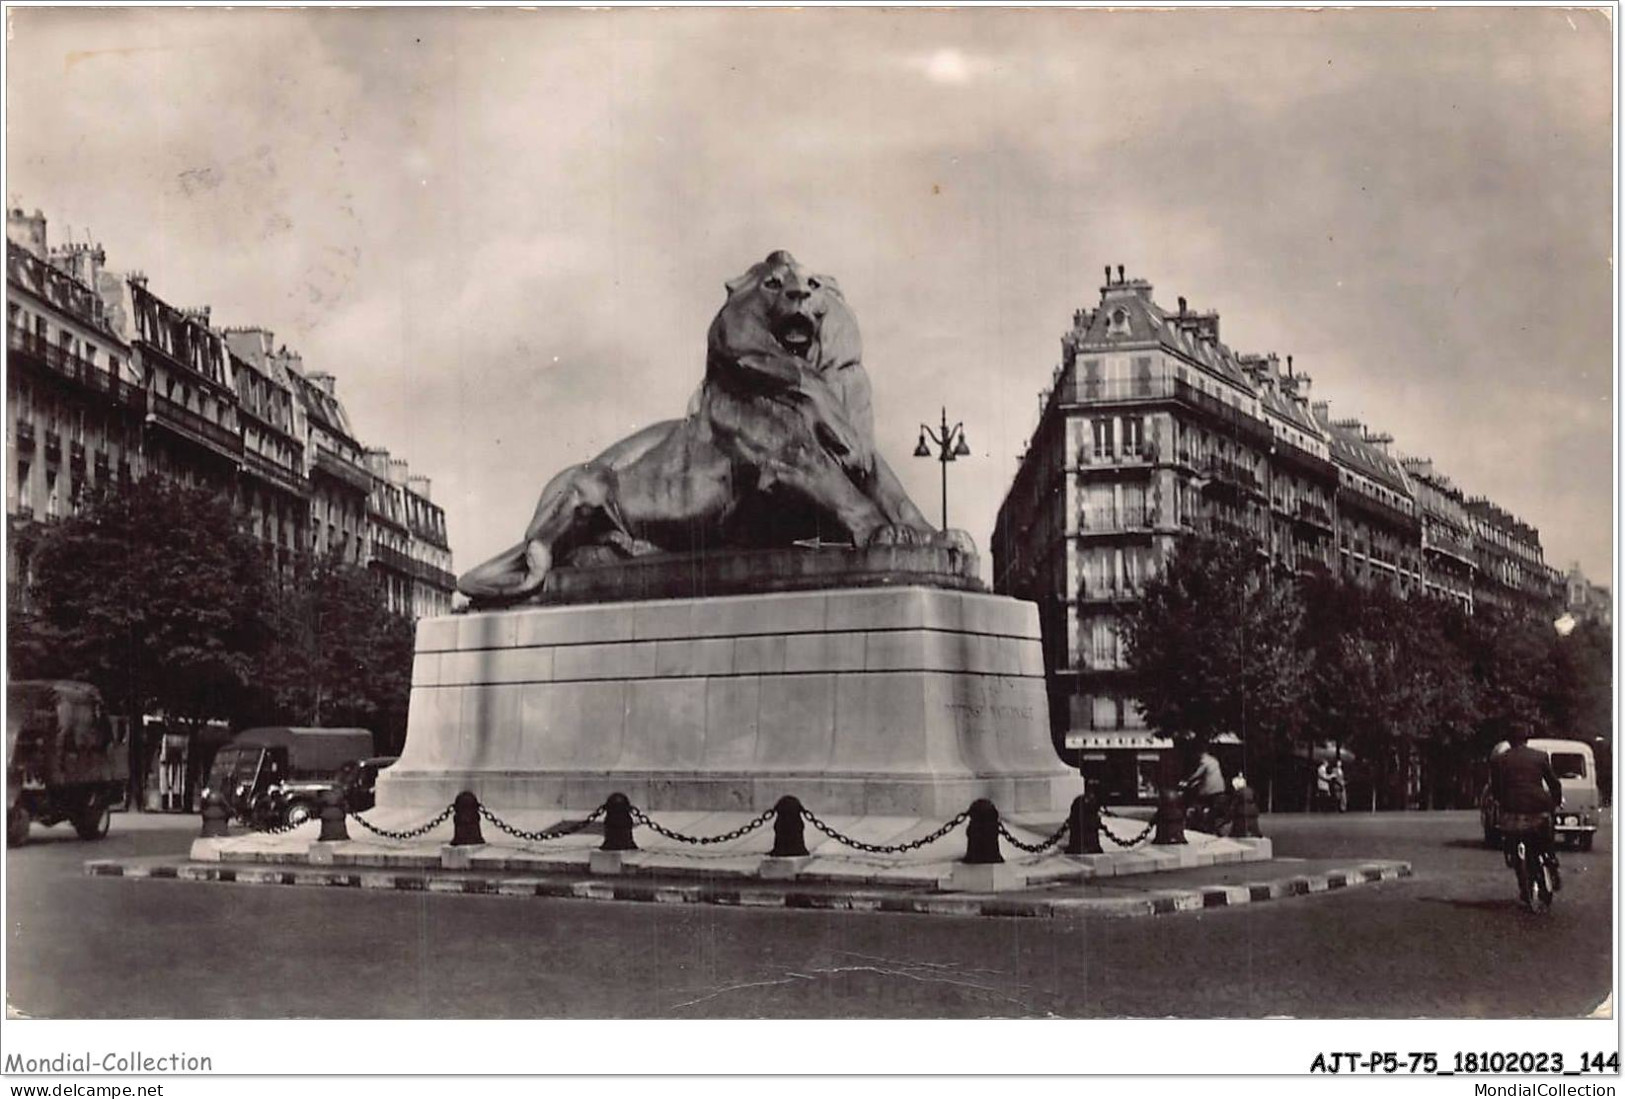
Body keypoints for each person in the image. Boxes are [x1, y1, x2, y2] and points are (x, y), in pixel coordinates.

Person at [1490, 726, 1565, 898]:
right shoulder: (1540, 757)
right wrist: (1555, 802)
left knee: (1513, 843)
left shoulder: (1499, 760)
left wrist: (1504, 802)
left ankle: (1520, 876)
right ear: (1526, 739)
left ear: (1509, 741)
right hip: (1539, 806)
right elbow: (1554, 784)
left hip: (1512, 809)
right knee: (1545, 838)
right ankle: (1551, 861)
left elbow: (1496, 789)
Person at [1182, 742, 1227, 831]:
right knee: (1212, 806)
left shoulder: (1204, 761)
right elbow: (1208, 775)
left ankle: (1202, 822)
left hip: (1210, 789)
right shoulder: (1214, 760)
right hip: (1220, 787)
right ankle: (1211, 823)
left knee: (1199, 802)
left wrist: (1188, 781)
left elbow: (1198, 774)